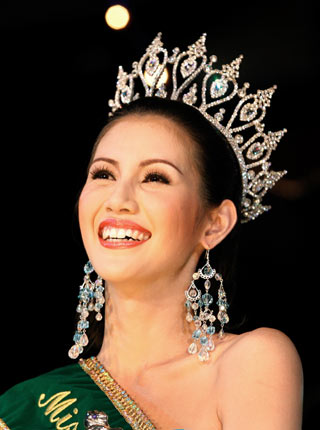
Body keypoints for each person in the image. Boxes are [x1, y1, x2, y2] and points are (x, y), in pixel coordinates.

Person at [0, 33, 303, 430]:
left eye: (155, 177)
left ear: (215, 224)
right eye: (103, 173)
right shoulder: (21, 409)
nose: (118, 199)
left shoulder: (250, 363)